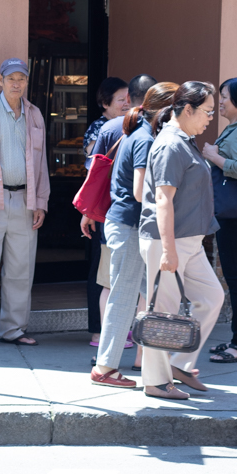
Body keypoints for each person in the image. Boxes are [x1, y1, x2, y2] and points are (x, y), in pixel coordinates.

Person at [139, 82, 225, 401]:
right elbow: (163, 200)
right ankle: (156, 381)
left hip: (189, 241)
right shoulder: (171, 144)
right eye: (207, 112)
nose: (210, 119)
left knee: (212, 297)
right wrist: (168, 250)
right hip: (170, 241)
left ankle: (179, 364)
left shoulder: (184, 141)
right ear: (187, 110)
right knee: (163, 311)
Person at [90, 83, 179, 389]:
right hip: (128, 226)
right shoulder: (144, 138)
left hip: (126, 225)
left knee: (151, 296)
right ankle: (105, 368)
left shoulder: (138, 133)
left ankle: (162, 365)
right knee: (125, 297)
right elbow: (140, 192)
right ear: (165, 110)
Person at [0, 57, 50, 348]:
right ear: (0, 81)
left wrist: (40, 201)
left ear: (27, 82)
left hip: (25, 201)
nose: (17, 84)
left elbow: (41, 162)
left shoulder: (34, 114)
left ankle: (13, 329)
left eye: (22, 79)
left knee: (20, 271)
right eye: (11, 79)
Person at [83, 74, 157, 351]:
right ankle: (132, 348)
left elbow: (94, 174)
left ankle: (106, 341)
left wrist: (89, 209)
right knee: (140, 286)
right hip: (133, 216)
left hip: (110, 213)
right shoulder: (148, 132)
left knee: (109, 282)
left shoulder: (113, 128)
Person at [202, 77, 237, 364]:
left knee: (236, 279)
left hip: (234, 217)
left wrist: (213, 156)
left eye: (224, 96)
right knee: (234, 278)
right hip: (230, 214)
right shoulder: (235, 128)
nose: (220, 101)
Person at [82, 76, 130, 343]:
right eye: (121, 99)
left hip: (117, 207)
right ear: (105, 103)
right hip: (103, 207)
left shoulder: (129, 125)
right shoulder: (100, 128)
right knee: (102, 272)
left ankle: (118, 327)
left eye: (129, 99)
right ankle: (98, 330)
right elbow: (94, 168)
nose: (127, 104)